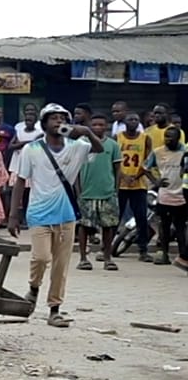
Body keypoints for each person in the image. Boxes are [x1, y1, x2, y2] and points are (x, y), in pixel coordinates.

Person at [8, 103, 104, 327]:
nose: (59, 122)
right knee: (40, 258)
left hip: (66, 214)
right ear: (44, 124)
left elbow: (98, 149)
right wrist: (14, 214)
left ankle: (55, 309)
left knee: (61, 265)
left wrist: (87, 132)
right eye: (54, 118)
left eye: (63, 118)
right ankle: (34, 287)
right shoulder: (31, 149)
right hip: (39, 212)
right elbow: (21, 181)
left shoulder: (77, 146)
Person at [76, 115, 122, 271]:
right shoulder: (81, 144)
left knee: (108, 227)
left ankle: (107, 258)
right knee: (84, 226)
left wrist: (115, 190)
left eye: (101, 124)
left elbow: (117, 169)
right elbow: (75, 170)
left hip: (107, 192)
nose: (97, 127)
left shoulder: (113, 145)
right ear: (89, 126)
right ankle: (83, 258)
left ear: (106, 126)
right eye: (94, 124)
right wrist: (78, 191)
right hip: (87, 192)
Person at [146, 125, 187, 267]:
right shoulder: (157, 152)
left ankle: (183, 256)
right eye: (166, 137)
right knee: (164, 226)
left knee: (180, 227)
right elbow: (145, 168)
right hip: (165, 195)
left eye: (171, 137)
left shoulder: (185, 152)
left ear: (178, 138)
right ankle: (164, 254)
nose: (167, 140)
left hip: (182, 195)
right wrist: (155, 182)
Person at [115, 112, 154, 262]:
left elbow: (148, 161)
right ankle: (107, 247)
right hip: (121, 184)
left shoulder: (145, 138)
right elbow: (115, 160)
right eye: (130, 119)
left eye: (136, 120)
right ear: (125, 122)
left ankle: (143, 250)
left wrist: (136, 176)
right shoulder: (118, 137)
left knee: (142, 217)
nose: (134, 122)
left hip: (139, 184)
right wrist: (124, 176)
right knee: (115, 218)